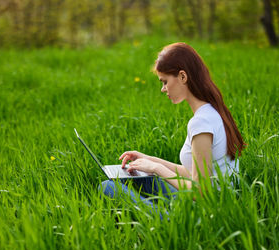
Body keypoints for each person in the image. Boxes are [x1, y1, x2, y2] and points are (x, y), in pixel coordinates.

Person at [100, 42, 245, 216]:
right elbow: (192, 173)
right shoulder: (211, 112)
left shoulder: (201, 123)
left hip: (203, 216)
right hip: (208, 206)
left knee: (107, 187)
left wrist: (157, 169)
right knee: (138, 180)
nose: (163, 89)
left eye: (165, 82)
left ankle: (165, 225)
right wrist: (149, 160)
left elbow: (202, 192)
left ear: (183, 77)